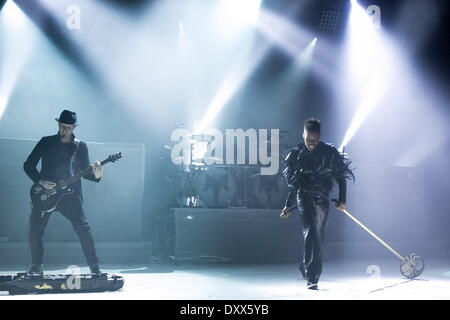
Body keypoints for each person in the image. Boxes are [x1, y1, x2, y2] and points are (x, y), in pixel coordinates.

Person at [23, 110, 103, 275]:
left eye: (68, 127)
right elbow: (28, 165)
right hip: (46, 193)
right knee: (35, 229)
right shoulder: (46, 142)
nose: (64, 130)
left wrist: (98, 173)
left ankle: (95, 267)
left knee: (83, 228)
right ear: (58, 125)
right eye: (61, 126)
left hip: (69, 194)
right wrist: (39, 180)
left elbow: (87, 173)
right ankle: (37, 266)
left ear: (73, 127)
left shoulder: (80, 146)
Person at [280, 118, 354, 290]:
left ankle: (306, 265)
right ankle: (312, 276)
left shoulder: (329, 152)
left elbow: (341, 177)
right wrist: (287, 205)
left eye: (315, 139)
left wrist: (343, 199)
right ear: (303, 135)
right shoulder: (297, 154)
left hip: (322, 198)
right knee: (310, 230)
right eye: (308, 139)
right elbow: (294, 183)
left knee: (318, 234)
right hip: (303, 196)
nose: (312, 143)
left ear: (319, 136)